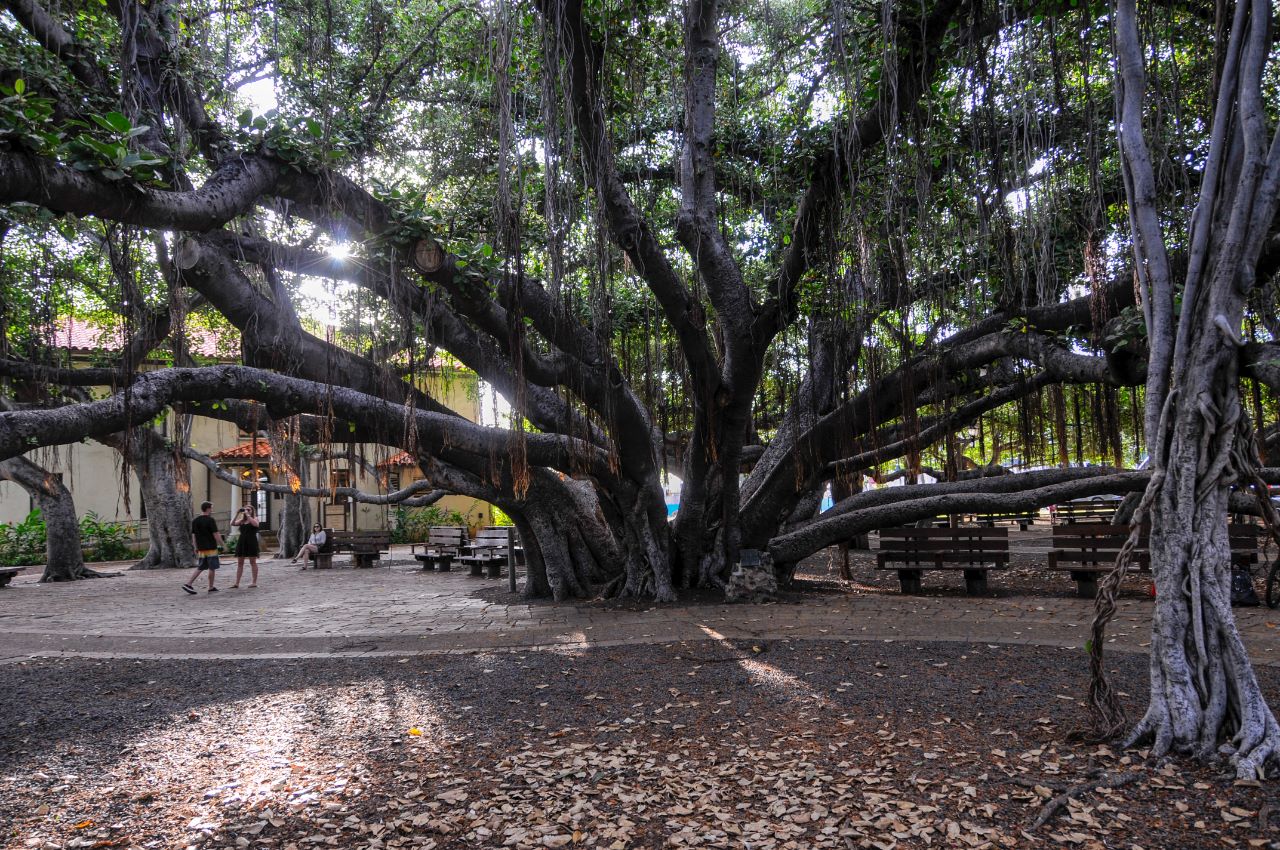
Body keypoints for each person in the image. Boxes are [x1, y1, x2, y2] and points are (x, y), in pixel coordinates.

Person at [183, 502, 224, 594]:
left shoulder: (195, 521)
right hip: (211, 548)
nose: (212, 510)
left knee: (200, 567)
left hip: (201, 548)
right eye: (211, 508)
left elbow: (193, 536)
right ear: (208, 508)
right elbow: (216, 534)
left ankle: (189, 583)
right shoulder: (210, 520)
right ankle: (211, 586)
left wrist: (195, 547)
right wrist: (222, 544)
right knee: (212, 568)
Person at [230, 504, 261, 588]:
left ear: (252, 511)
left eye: (249, 509)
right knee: (240, 563)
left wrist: (248, 515)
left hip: (251, 542)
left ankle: (254, 582)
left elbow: (255, 524)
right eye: (245, 509)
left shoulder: (255, 518)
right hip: (242, 542)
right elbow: (232, 523)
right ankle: (237, 583)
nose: (247, 511)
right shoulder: (242, 520)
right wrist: (237, 513)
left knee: (252, 562)